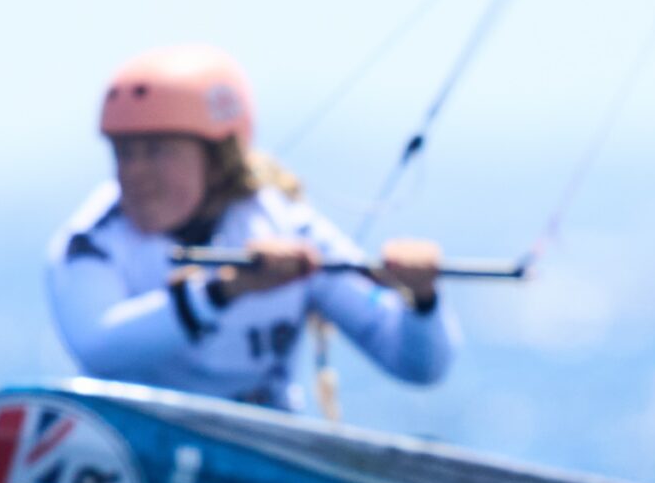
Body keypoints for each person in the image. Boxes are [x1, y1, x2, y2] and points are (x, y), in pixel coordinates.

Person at [47, 44, 456, 411]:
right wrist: (226, 289)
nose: (134, 173)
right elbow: (97, 344)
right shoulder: (91, 241)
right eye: (123, 152)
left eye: (157, 151)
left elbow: (418, 367)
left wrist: (421, 300)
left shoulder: (287, 226)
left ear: (219, 156)